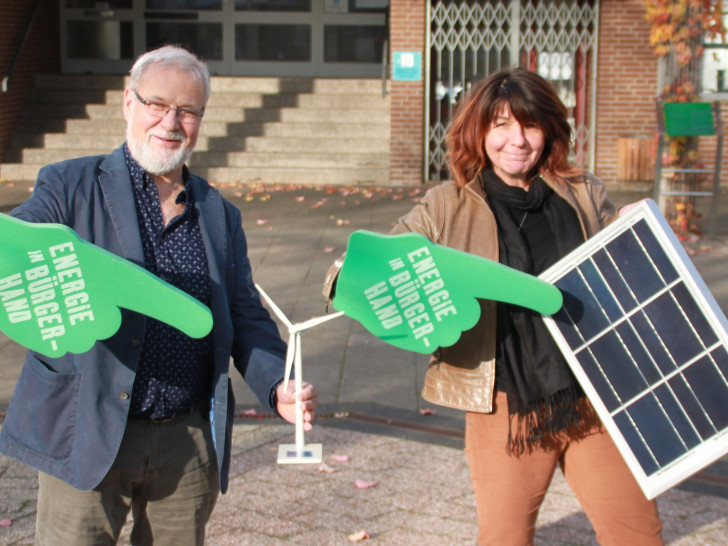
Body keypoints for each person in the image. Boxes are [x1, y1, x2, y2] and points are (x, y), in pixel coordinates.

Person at [324, 68, 662, 545]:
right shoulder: (448, 205)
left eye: (530, 125)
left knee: (638, 535)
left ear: (550, 130)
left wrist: (637, 230)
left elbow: (620, 267)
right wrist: (346, 277)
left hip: (593, 398)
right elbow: (386, 261)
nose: (517, 140)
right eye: (501, 124)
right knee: (504, 539)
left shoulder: (582, 192)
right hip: (505, 404)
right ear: (479, 131)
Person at [0, 45, 318, 545]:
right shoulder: (69, 185)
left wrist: (279, 382)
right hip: (86, 423)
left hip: (184, 440)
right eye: (157, 104)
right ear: (129, 102)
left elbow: (244, 315)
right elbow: (17, 251)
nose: (171, 122)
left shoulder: (218, 214)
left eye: (188, 111)